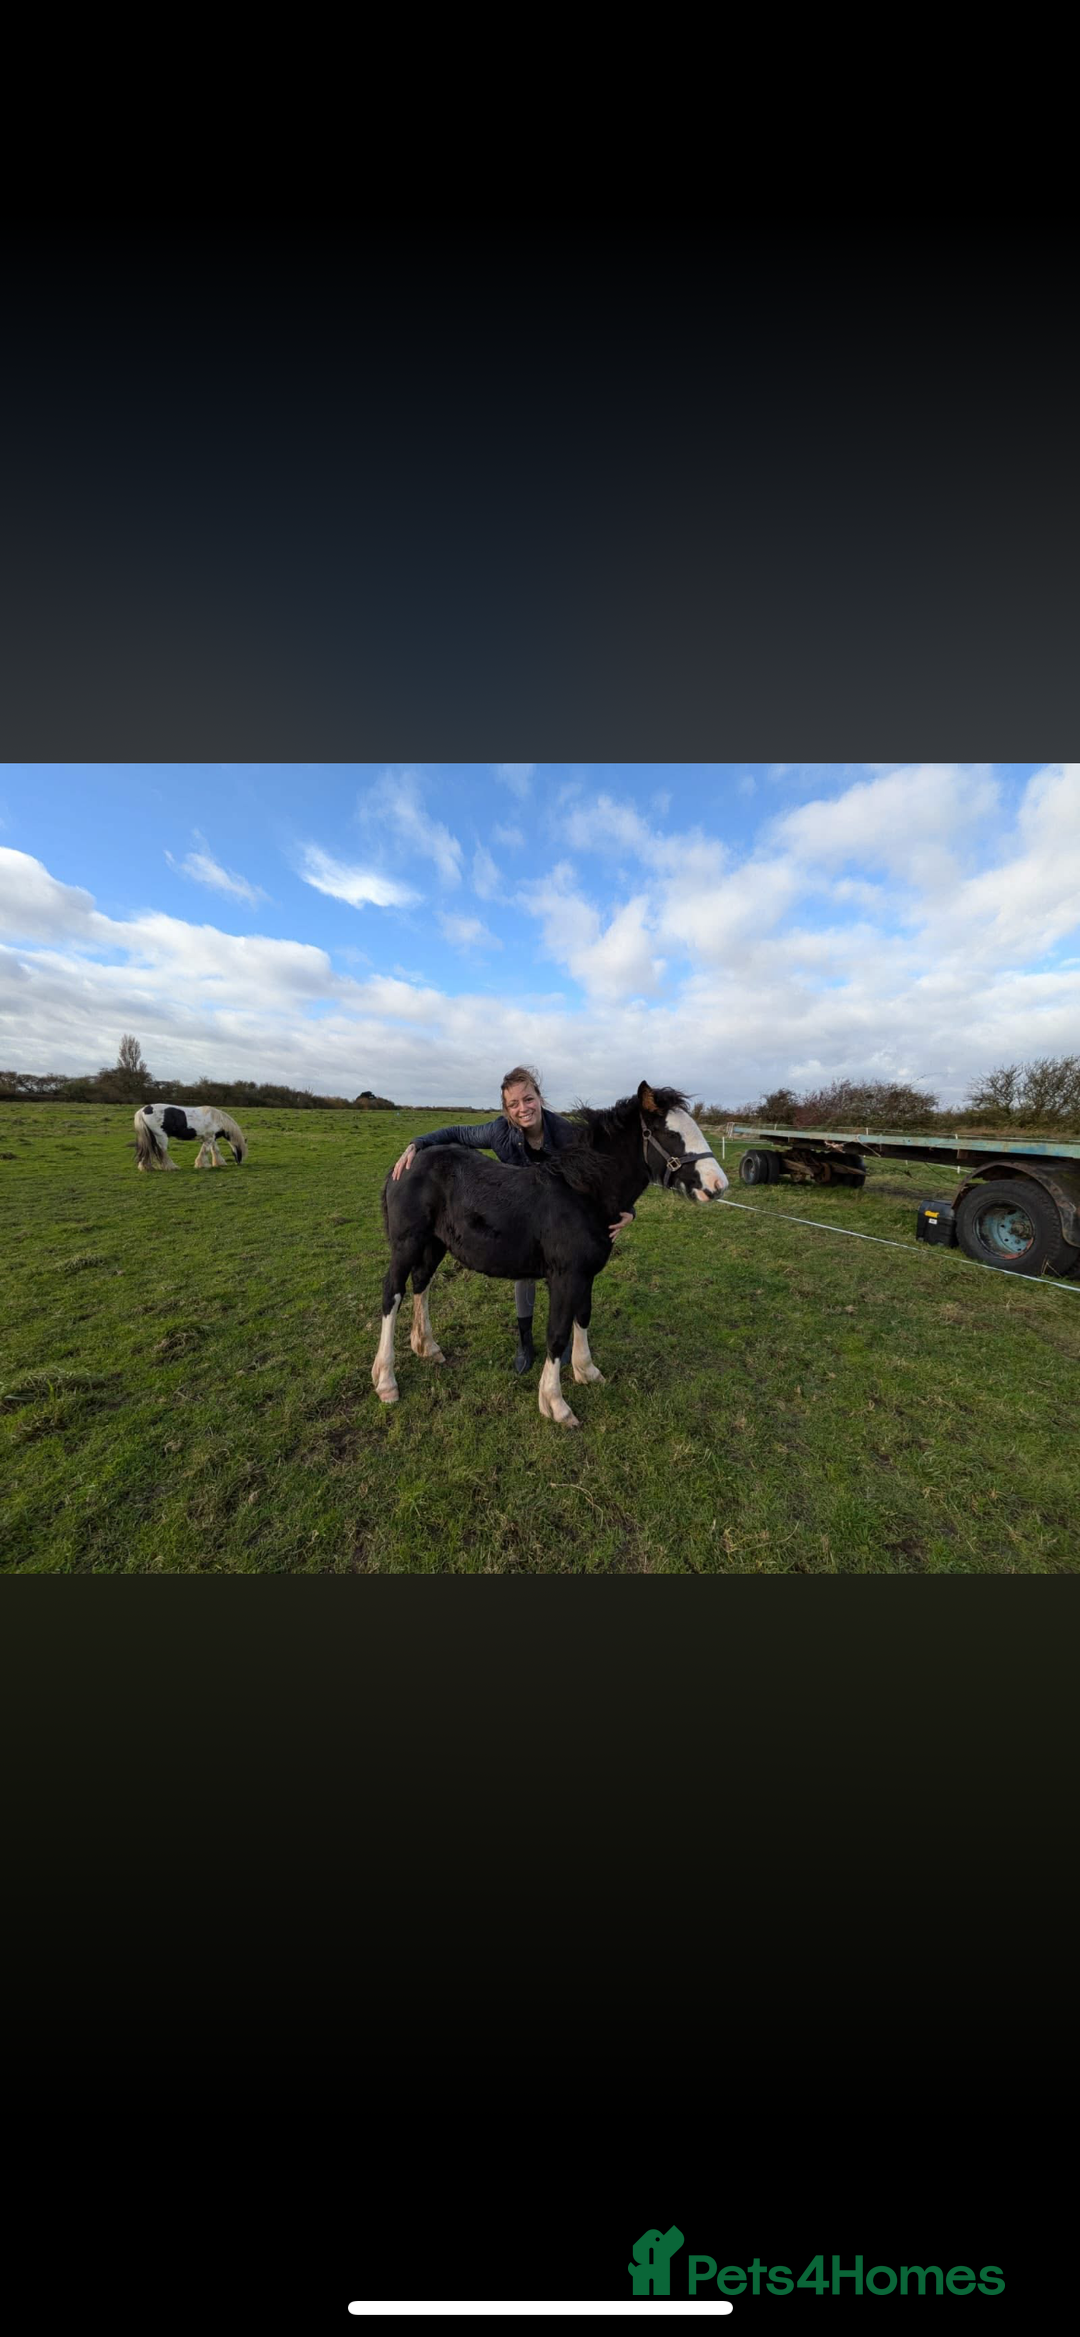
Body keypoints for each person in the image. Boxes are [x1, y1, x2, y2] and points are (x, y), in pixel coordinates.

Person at [390, 1064, 635, 1373]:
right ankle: (524, 1341)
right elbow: (456, 1133)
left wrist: (630, 1210)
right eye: (514, 1104)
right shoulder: (498, 1131)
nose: (523, 1109)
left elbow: (605, 1173)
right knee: (525, 1276)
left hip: (563, 1217)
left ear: (539, 1098)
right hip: (522, 1216)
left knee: (571, 1275)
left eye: (528, 1099)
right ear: (506, 1109)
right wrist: (418, 1142)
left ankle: (569, 1341)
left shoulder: (567, 1134)